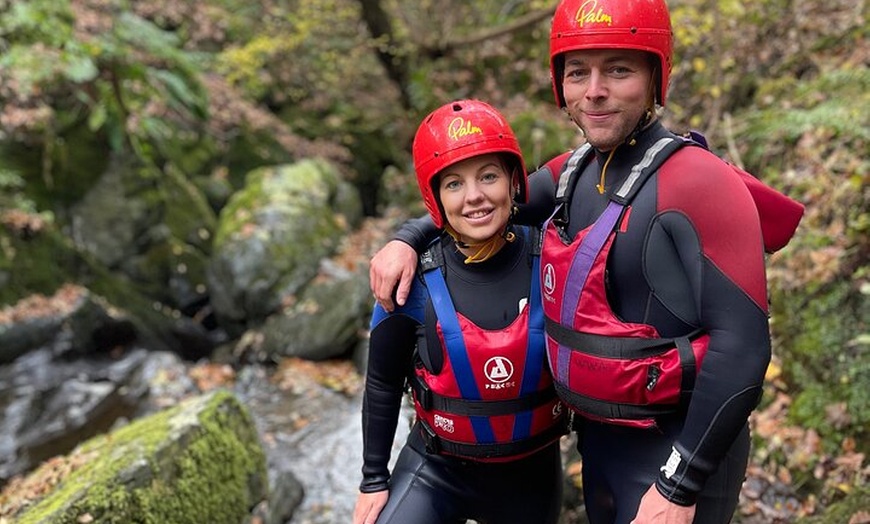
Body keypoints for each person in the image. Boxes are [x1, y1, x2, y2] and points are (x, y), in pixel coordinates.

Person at [367, 0, 804, 523]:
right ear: (560, 85)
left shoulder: (699, 183)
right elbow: (482, 206)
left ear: (655, 76)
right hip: (600, 445)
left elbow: (744, 347)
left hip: (676, 455)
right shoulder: (573, 173)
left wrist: (679, 485)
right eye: (578, 72)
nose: (594, 90)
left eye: (618, 70)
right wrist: (406, 238)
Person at [353, 99, 567, 524]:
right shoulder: (411, 281)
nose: (474, 197)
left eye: (488, 176)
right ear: (434, 197)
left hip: (532, 478)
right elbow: (381, 383)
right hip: (437, 471)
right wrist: (373, 480)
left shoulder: (555, 257)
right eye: (453, 184)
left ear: (513, 181)